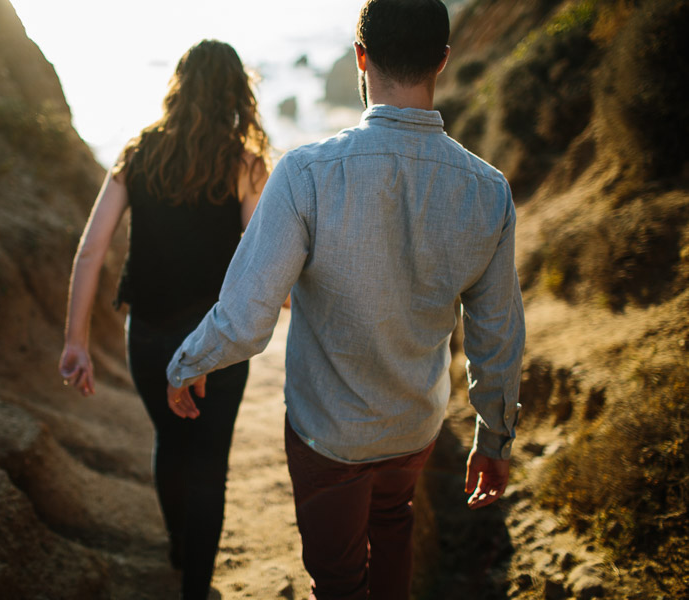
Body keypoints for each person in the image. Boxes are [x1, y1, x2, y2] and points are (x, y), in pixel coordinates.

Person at [165, 1, 525, 598]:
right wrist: (495, 438)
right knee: (394, 525)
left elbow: (247, 320)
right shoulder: (487, 191)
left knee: (336, 578)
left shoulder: (305, 174)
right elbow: (498, 336)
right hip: (414, 426)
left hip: (327, 434)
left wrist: (188, 362)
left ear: (360, 57)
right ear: (442, 59)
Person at [58, 40, 270, 600]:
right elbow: (261, 252)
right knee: (209, 462)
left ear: (177, 90)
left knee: (171, 445)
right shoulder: (246, 164)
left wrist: (75, 341)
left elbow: (90, 251)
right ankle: (195, 586)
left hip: (148, 336)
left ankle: (179, 546)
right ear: (236, 94)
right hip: (217, 343)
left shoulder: (137, 154)